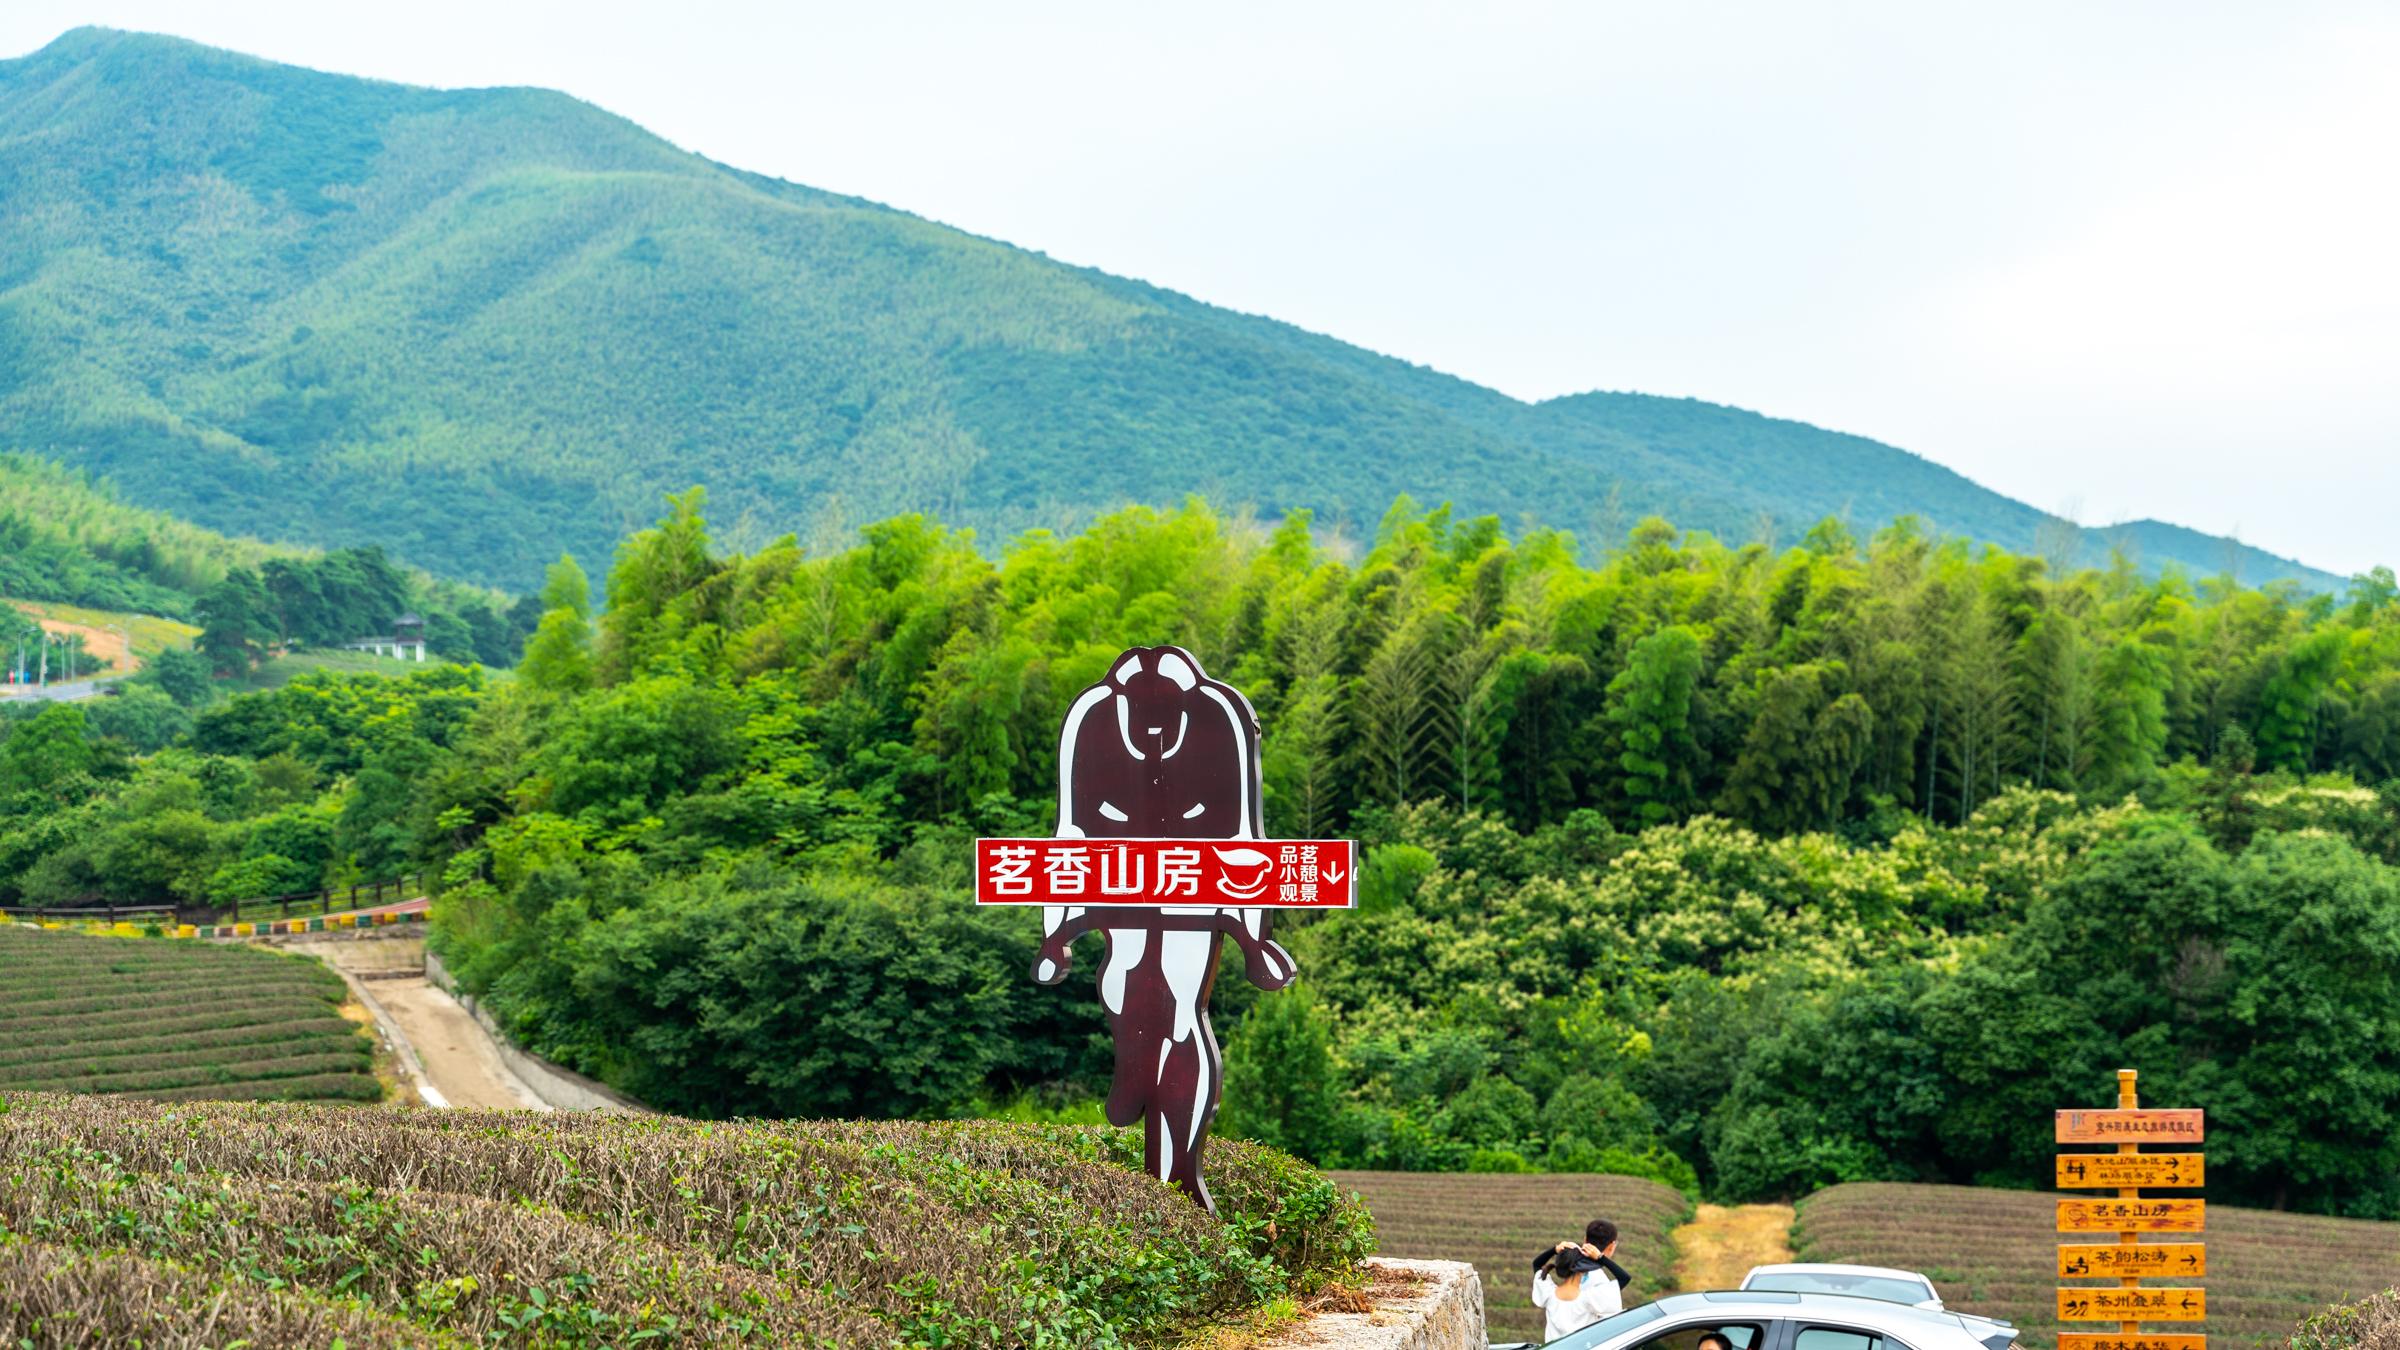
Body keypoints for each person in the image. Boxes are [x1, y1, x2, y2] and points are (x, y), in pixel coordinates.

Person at [1530, 1219, 1629, 1339]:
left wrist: (1555, 1249)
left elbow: (1536, 1264)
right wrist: (1600, 1258)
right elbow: (1624, 1278)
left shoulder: (1549, 1294)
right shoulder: (1589, 1298)